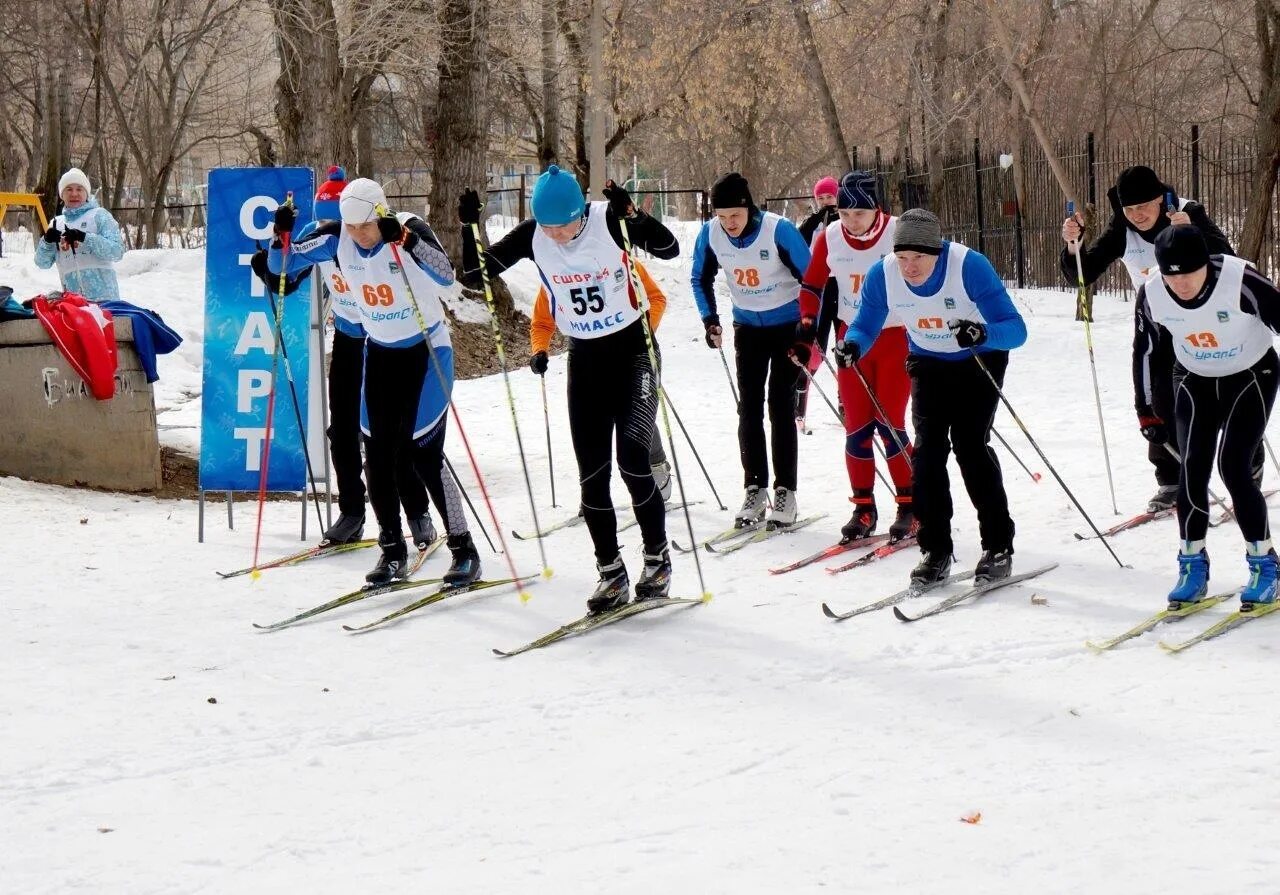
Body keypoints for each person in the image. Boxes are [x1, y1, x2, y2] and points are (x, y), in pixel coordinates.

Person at [459, 166, 680, 613]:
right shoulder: (532, 235)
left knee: (634, 462)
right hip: (586, 360)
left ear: (582, 213)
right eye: (548, 226)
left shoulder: (606, 220)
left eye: (565, 225)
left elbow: (669, 249)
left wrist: (633, 217)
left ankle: (657, 559)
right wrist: (469, 227)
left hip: (634, 351)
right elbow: (474, 275)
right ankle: (610, 572)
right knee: (592, 478)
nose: (557, 235)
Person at [267, 178, 479, 587]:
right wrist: (282, 234)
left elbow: (446, 275)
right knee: (376, 456)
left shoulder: (408, 228)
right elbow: (281, 267)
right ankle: (392, 551)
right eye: (350, 226)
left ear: (380, 215)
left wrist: (404, 240)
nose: (357, 236)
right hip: (379, 353)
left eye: (364, 227)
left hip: (427, 351)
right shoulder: (337, 238)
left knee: (422, 452)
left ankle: (463, 549)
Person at [251, 166, 432, 550]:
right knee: (343, 430)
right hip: (351, 340)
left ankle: (416, 511)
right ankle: (352, 510)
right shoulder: (319, 237)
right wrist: (273, 248)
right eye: (328, 223)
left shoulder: (372, 236)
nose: (338, 232)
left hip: (388, 340)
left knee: (396, 436)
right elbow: (285, 278)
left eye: (343, 223)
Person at [843, 208, 1027, 585]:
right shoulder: (883, 273)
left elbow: (1015, 329)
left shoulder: (968, 266)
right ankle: (936, 549)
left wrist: (982, 333)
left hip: (978, 358)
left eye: (919, 258)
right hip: (927, 360)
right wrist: (852, 346)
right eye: (903, 257)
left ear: (937, 251)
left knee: (971, 447)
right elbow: (866, 322)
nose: (910, 267)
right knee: (926, 455)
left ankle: (997, 545)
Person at [1060, 164, 1245, 514]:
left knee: (1219, 394)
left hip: (1204, 316)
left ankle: (1247, 466)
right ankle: (1171, 479)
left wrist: (1194, 232)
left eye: (1144, 206)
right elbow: (1081, 276)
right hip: (1158, 317)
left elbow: (1230, 260)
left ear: (1161, 199)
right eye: (1129, 209)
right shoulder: (1122, 228)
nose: (1137, 215)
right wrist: (1074, 246)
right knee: (1159, 393)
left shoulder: (1187, 212)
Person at [1134, 225, 1280, 607]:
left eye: (1188, 274)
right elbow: (1145, 351)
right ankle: (1192, 564)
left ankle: (1264, 563)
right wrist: (1145, 410)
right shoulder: (1151, 292)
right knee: (1191, 468)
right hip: (1195, 378)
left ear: (1207, 266)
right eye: (1171, 275)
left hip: (1251, 374)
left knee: (1233, 466)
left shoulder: (1239, 281)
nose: (1179, 284)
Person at [797, 171, 914, 543]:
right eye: (844, 214)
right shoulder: (831, 236)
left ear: (875, 210)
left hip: (894, 337)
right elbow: (812, 282)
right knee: (857, 428)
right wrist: (806, 322)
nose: (850, 222)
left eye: (858, 215)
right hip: (852, 340)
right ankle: (864, 507)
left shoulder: (898, 231)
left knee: (890, 424)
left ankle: (911, 504)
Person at [692, 172, 812, 528]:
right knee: (748, 409)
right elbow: (699, 277)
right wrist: (709, 318)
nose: (729, 223)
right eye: (722, 216)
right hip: (747, 328)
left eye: (736, 216)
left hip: (786, 327)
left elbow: (813, 279)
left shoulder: (778, 230)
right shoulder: (711, 234)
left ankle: (785, 491)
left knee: (779, 405)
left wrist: (808, 331)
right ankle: (754, 487)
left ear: (749, 208)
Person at [528, 259, 674, 502]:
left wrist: (643, 331)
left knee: (634, 417)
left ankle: (656, 464)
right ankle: (593, 492)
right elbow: (542, 321)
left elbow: (656, 298)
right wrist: (539, 350)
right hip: (589, 360)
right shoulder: (557, 273)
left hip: (632, 354)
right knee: (591, 426)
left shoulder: (621, 261)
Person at [34, 168, 125, 302]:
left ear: (86, 193)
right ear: (62, 195)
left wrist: (84, 237)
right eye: (69, 189)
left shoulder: (99, 215)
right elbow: (42, 263)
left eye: (79, 189)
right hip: (73, 302)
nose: (74, 194)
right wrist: (46, 241)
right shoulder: (56, 223)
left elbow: (117, 251)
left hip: (105, 299)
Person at [794, 175, 841, 426]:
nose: (825, 202)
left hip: (842, 287)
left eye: (830, 197)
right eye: (821, 198)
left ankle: (845, 402)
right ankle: (800, 400)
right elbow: (799, 241)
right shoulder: (814, 223)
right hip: (820, 287)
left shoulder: (846, 219)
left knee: (844, 343)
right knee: (816, 347)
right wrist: (814, 221)